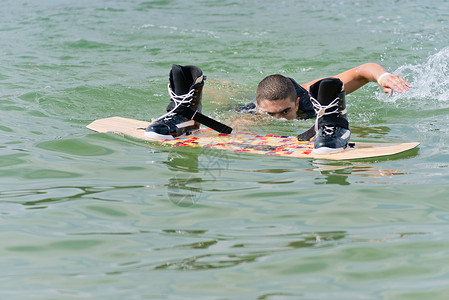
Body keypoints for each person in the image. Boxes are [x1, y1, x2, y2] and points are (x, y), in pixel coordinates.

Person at [144, 63, 411, 153]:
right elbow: (231, 130)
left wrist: (383, 77)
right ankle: (185, 110)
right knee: (230, 107)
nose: (280, 120)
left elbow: (362, 71)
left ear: (296, 103)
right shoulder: (254, 113)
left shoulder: (307, 95)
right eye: (272, 114)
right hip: (251, 103)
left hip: (297, 92)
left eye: (286, 112)